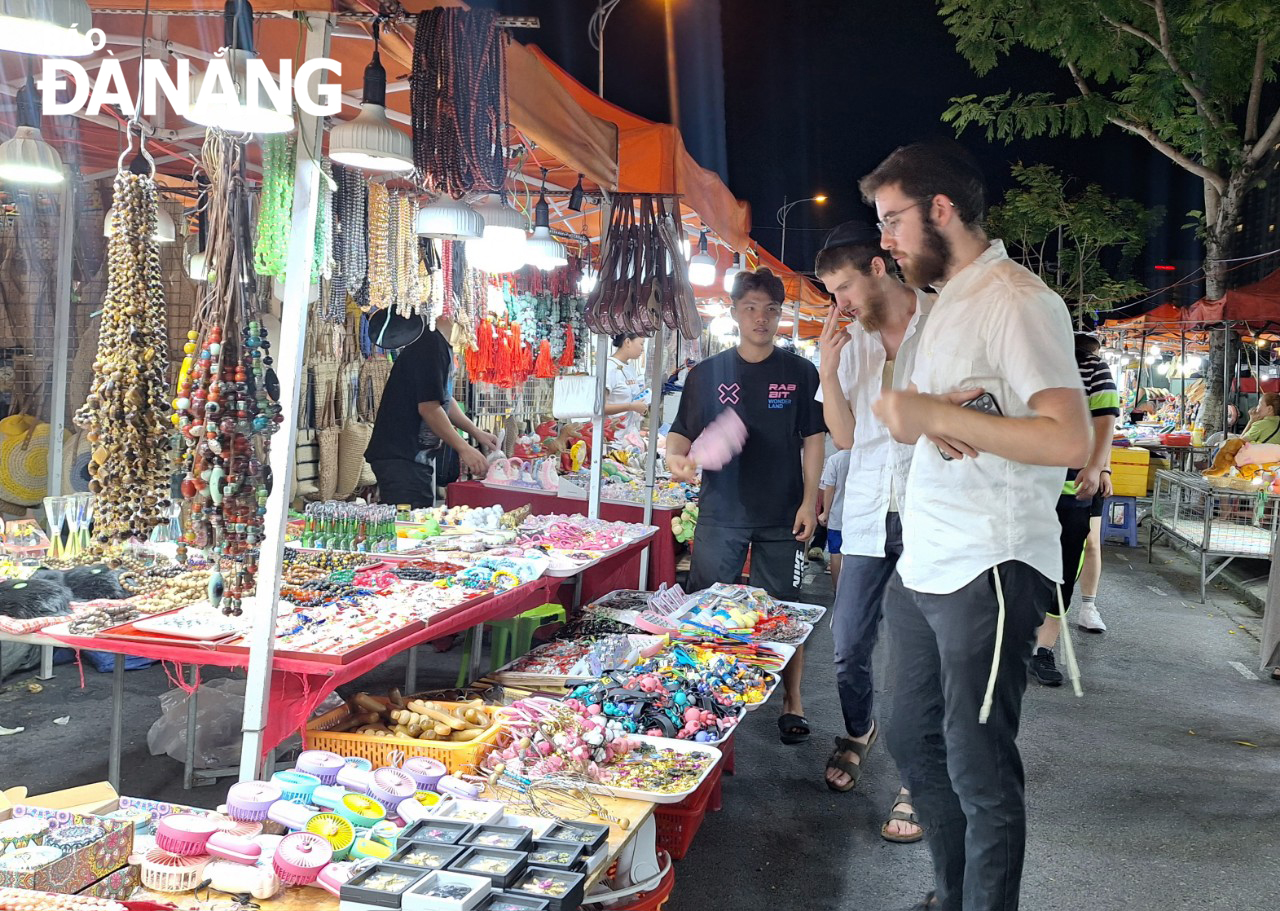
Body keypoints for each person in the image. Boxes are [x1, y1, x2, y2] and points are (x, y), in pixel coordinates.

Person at [863, 141, 1090, 911]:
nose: (885, 240)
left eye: (893, 220)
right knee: (905, 734)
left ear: (941, 210)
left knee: (978, 764)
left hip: (989, 566)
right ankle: (952, 893)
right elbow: (920, 420)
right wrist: (931, 414)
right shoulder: (940, 302)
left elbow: (1068, 437)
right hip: (924, 558)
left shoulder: (1016, 299)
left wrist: (936, 413)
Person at [666, 267, 825, 745]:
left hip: (782, 513)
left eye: (771, 309)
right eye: (751, 308)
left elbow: (814, 440)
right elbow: (681, 432)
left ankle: (791, 701)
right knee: (704, 608)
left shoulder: (800, 372)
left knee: (785, 611)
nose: (761, 318)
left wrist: (809, 500)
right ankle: (697, 693)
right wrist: (675, 457)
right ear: (734, 311)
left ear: (781, 314)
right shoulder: (706, 373)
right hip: (721, 513)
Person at [813, 221, 928, 845]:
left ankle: (917, 777)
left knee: (918, 651)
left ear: (879, 267)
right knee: (849, 641)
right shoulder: (848, 341)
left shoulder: (939, 324)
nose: (840, 303)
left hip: (930, 512)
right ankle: (860, 730)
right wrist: (828, 369)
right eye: (830, 291)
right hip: (864, 512)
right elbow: (849, 437)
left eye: (844, 286)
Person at [1030, 332, 1120, 687]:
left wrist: (1099, 467)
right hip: (1024, 485)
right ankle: (1010, 642)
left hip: (1072, 488)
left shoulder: (1092, 367)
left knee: (1064, 569)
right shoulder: (1024, 361)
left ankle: (1043, 650)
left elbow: (1106, 421)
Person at [365, 314, 496, 508]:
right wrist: (463, 448)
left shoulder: (439, 345)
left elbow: (442, 398)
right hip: (401, 457)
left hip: (409, 458)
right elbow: (429, 408)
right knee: (410, 525)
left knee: (417, 520)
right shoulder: (429, 344)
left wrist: (475, 432)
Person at [604, 333, 650, 434]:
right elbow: (600, 407)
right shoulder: (609, 368)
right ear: (628, 342)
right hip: (610, 437)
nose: (642, 349)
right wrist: (631, 406)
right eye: (641, 344)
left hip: (628, 435)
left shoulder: (629, 367)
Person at [817, 447, 849, 585]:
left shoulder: (835, 459)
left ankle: (837, 590)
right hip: (859, 517)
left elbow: (829, 488)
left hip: (837, 515)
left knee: (836, 553)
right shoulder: (865, 455)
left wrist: (825, 512)